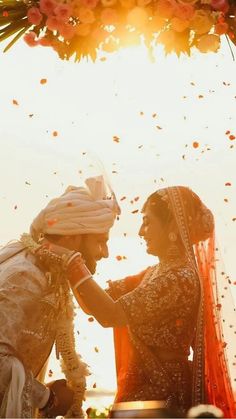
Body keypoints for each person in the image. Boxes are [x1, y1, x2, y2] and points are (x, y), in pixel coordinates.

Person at [36, 186, 236, 417]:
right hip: (143, 388)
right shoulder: (156, 272)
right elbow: (95, 304)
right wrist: (67, 257)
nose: (141, 231)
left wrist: (71, 262)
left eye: (147, 222)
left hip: (163, 396)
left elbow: (110, 314)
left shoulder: (180, 279)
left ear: (172, 226)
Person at [0, 175, 119, 418]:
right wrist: (47, 399)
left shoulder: (49, 275)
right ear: (73, 235)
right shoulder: (25, 277)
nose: (105, 253)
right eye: (100, 242)